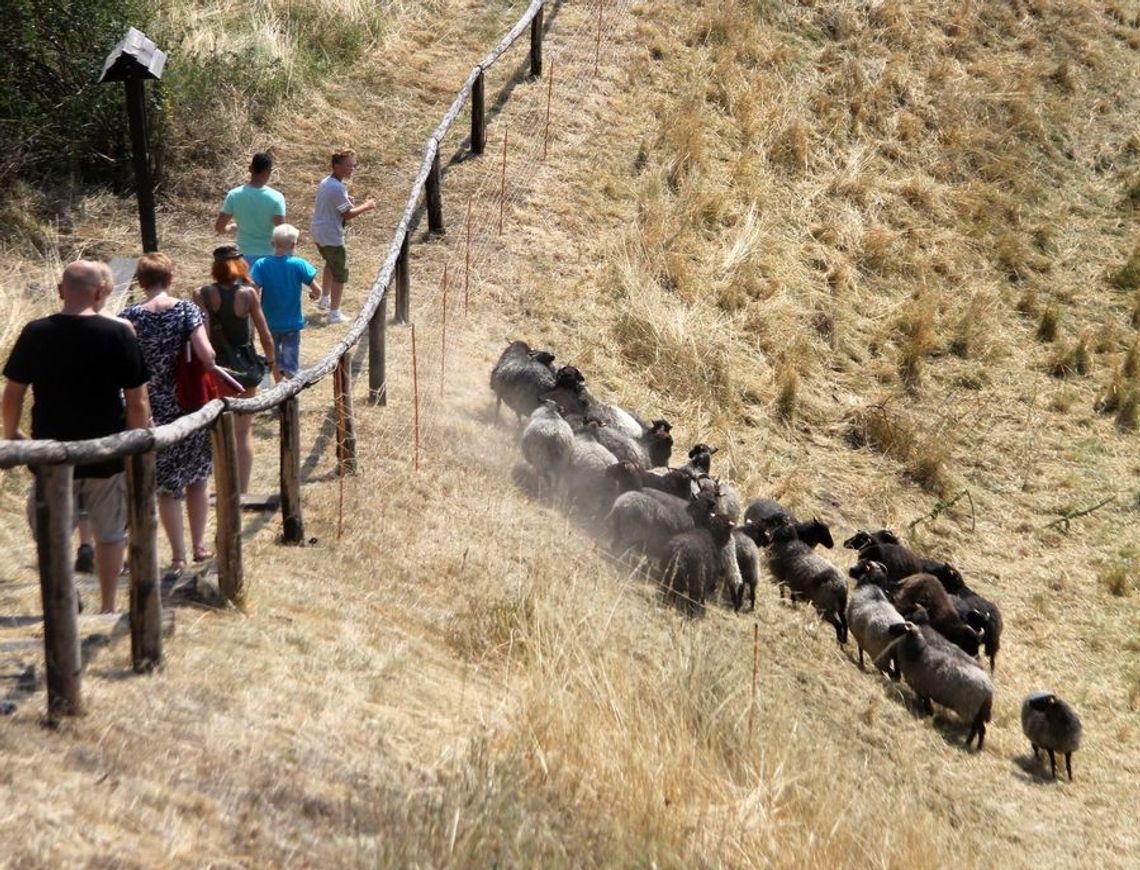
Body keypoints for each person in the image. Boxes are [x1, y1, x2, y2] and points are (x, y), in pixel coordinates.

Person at [2, 259, 150, 613]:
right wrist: (135, 443)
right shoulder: (119, 334)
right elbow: (137, 401)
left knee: (49, 532)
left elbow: (12, 395)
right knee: (111, 532)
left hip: (51, 452)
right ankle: (109, 605)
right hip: (107, 450)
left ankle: (64, 596)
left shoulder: (36, 332)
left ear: (59, 291)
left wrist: (13, 434)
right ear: (99, 292)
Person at [121, 253, 217, 572]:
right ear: (170, 278)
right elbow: (206, 354)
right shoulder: (186, 310)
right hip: (187, 403)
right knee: (197, 478)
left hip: (150, 406)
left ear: (141, 281)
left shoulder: (128, 317)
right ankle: (199, 545)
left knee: (166, 487)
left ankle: (177, 555)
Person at [192, 245, 276, 493]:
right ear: (240, 266)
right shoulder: (249, 294)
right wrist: (270, 363)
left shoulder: (202, 294)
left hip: (217, 369)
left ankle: (221, 486)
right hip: (245, 368)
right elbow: (265, 335)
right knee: (243, 431)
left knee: (217, 429)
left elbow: (203, 334)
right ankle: (241, 490)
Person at [309, 148, 376, 324]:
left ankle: (325, 299)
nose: (351, 168)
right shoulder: (337, 187)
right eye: (347, 165)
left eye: (352, 165)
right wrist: (367, 205)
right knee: (340, 273)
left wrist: (346, 200)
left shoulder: (327, 182)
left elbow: (337, 205)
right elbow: (347, 214)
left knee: (330, 264)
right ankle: (334, 313)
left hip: (318, 231)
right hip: (331, 234)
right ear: (335, 165)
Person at [250, 224, 323, 379]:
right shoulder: (299, 264)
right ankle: (290, 386)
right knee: (290, 360)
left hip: (269, 322)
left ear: (272, 243)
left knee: (273, 358)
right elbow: (318, 291)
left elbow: (253, 292)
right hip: (292, 322)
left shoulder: (261, 264)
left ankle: (278, 388)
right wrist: (314, 295)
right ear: (293, 244)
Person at [215, 152, 286, 268]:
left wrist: (231, 227)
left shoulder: (234, 195)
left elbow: (219, 227)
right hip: (269, 256)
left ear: (250, 169)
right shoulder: (277, 197)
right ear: (269, 172)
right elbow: (281, 232)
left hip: (243, 258)